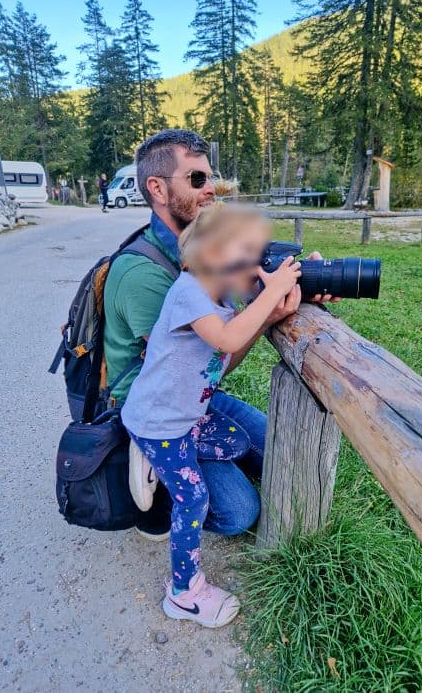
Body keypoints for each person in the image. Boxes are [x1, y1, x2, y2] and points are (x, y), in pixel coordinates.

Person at [103, 129, 338, 542]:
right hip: (158, 407)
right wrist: (263, 314)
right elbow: (210, 357)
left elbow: (240, 298)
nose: (210, 189)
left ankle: (196, 459)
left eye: (210, 178)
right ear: (157, 188)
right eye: (196, 179)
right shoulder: (144, 275)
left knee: (279, 452)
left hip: (195, 394)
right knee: (238, 513)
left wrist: (303, 277)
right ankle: (148, 463)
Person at [121, 203, 302, 626]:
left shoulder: (218, 296)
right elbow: (227, 337)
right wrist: (273, 292)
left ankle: (156, 460)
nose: (258, 269)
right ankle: (184, 592)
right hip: (160, 424)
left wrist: (274, 307)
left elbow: (230, 347)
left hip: (183, 415)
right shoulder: (188, 292)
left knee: (238, 441)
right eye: (249, 258)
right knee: (194, 498)